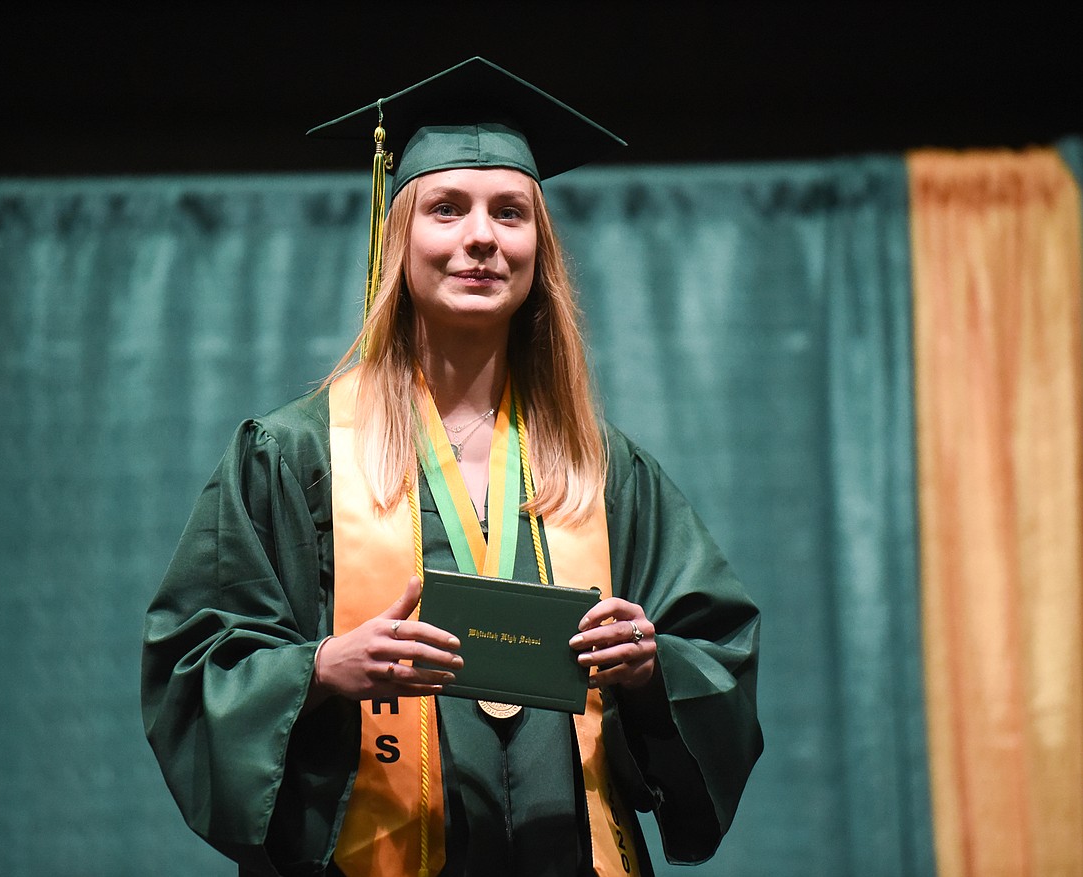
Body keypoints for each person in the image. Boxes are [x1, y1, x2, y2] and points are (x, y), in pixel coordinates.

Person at [142, 57, 762, 877]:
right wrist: (322, 668)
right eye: (447, 208)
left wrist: (651, 668)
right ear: (399, 238)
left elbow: (714, 649)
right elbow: (194, 664)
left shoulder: (600, 468)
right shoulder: (297, 456)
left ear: (539, 248)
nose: (481, 236)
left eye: (510, 212)